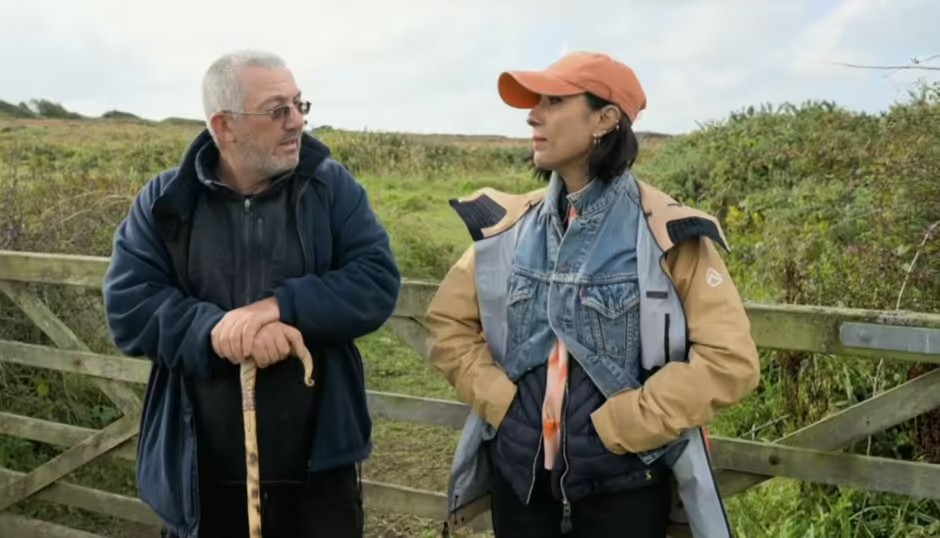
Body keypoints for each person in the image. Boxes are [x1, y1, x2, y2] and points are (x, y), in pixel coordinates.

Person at [425, 51, 760, 538]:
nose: (533, 114)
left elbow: (731, 362)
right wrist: (499, 400)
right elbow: (447, 324)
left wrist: (626, 424)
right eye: (536, 101)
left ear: (605, 119)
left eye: (554, 101)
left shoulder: (670, 235)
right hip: (519, 487)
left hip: (622, 493)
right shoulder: (507, 229)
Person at [102, 50, 400, 538]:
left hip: (319, 471)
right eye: (277, 110)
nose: (296, 122)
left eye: (300, 105)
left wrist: (280, 307)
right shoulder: (165, 203)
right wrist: (217, 331)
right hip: (200, 470)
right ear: (225, 126)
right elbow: (130, 304)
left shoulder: (330, 187)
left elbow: (376, 280)